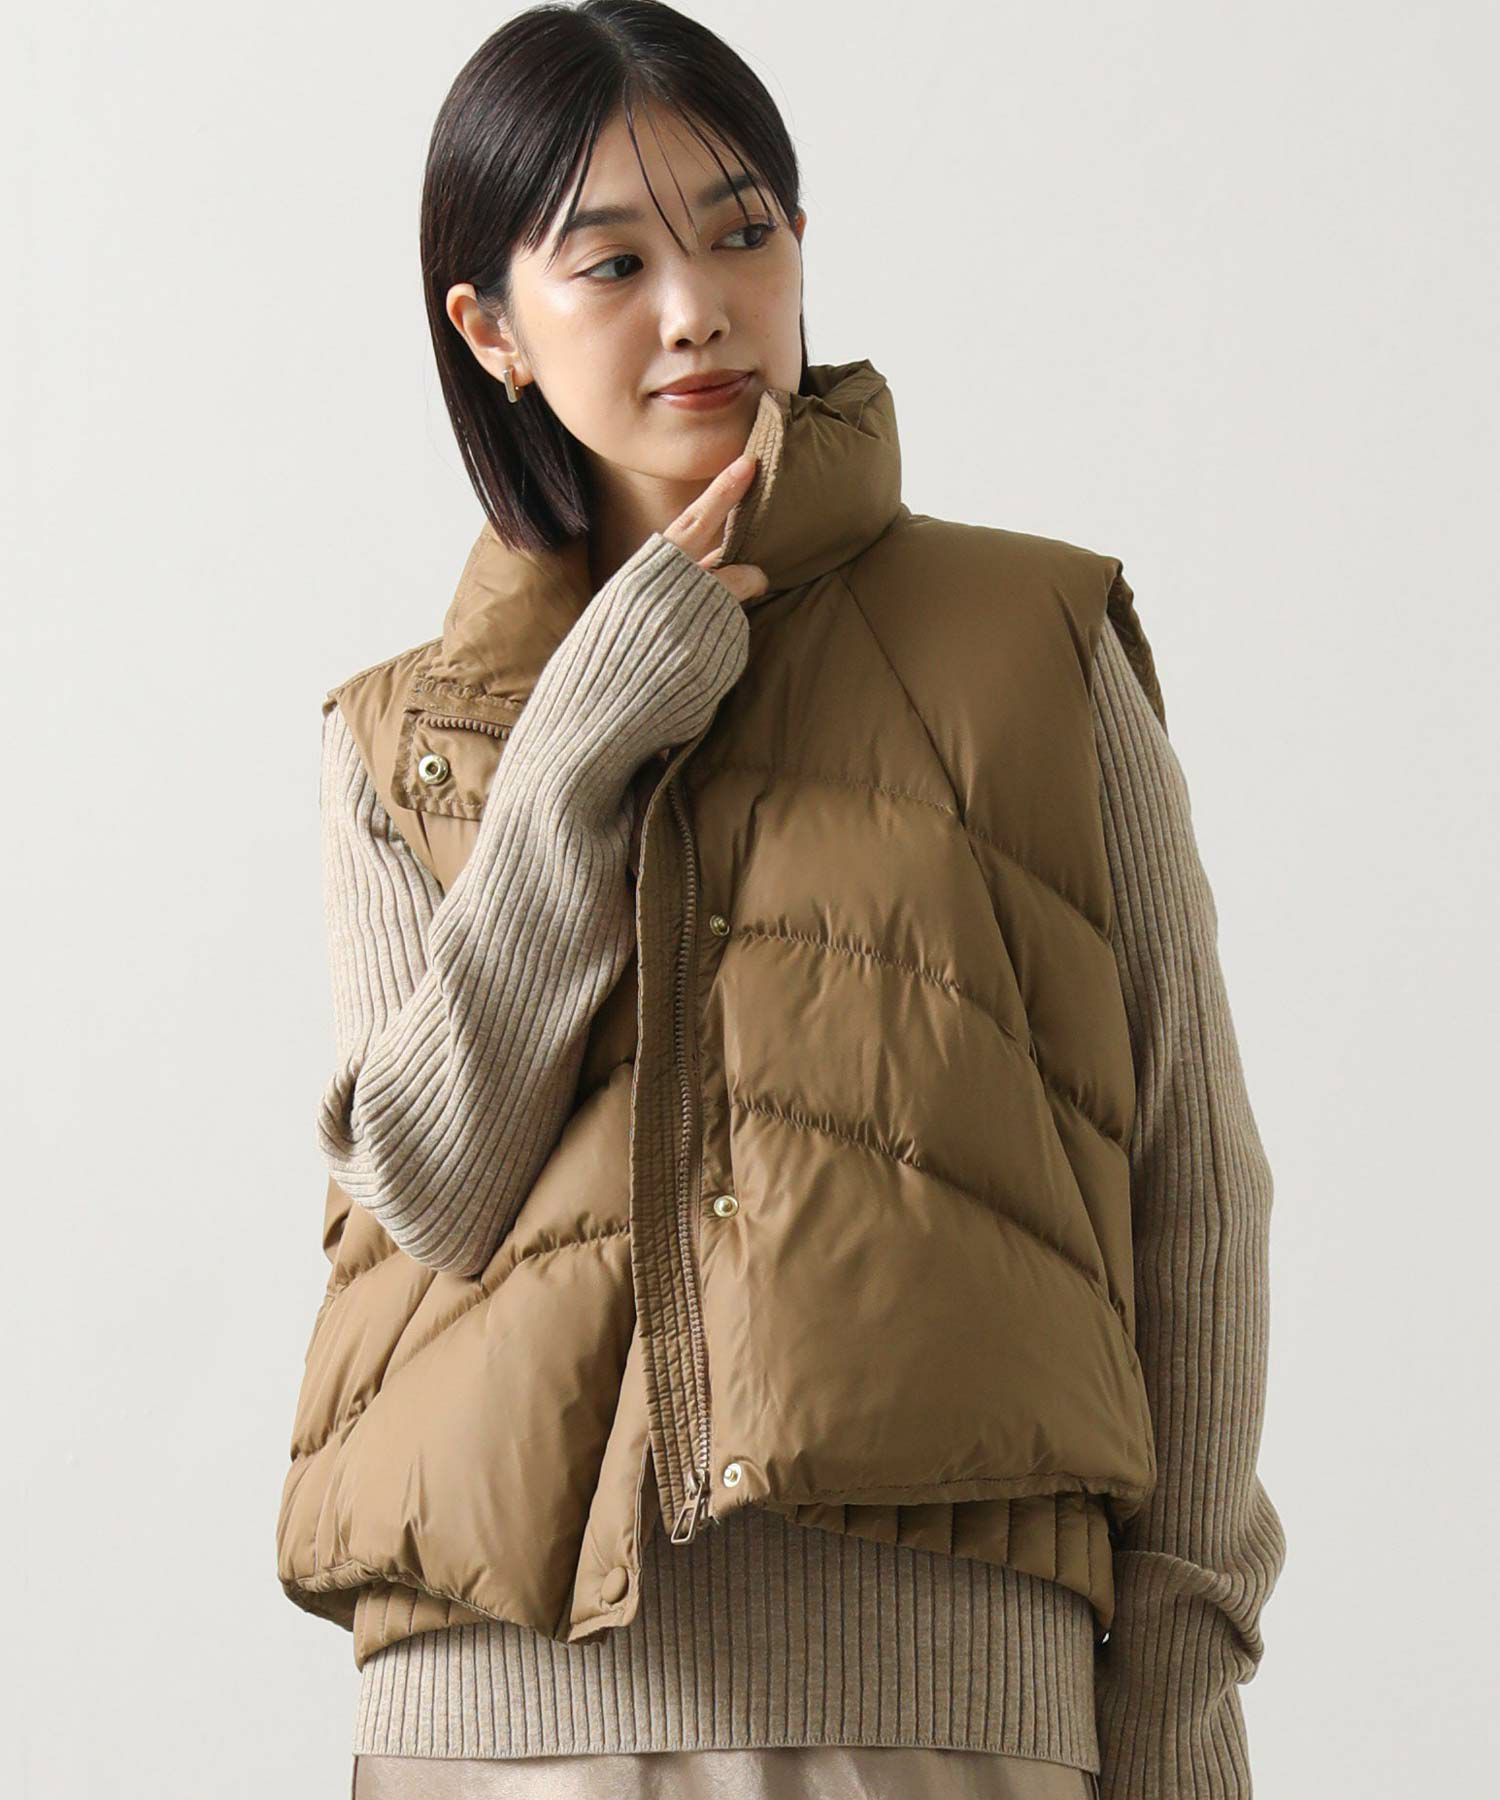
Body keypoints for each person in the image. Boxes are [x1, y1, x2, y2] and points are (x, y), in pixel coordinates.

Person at [276, 5, 1286, 1796]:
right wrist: (578, 748)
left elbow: (1192, 1187)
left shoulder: (1033, 643)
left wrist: (1177, 1702)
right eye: (613, 262)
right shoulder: (401, 740)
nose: (698, 308)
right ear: (491, 329)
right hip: (503, 1729)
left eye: (744, 232)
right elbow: (426, 1181)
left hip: (939, 1710)